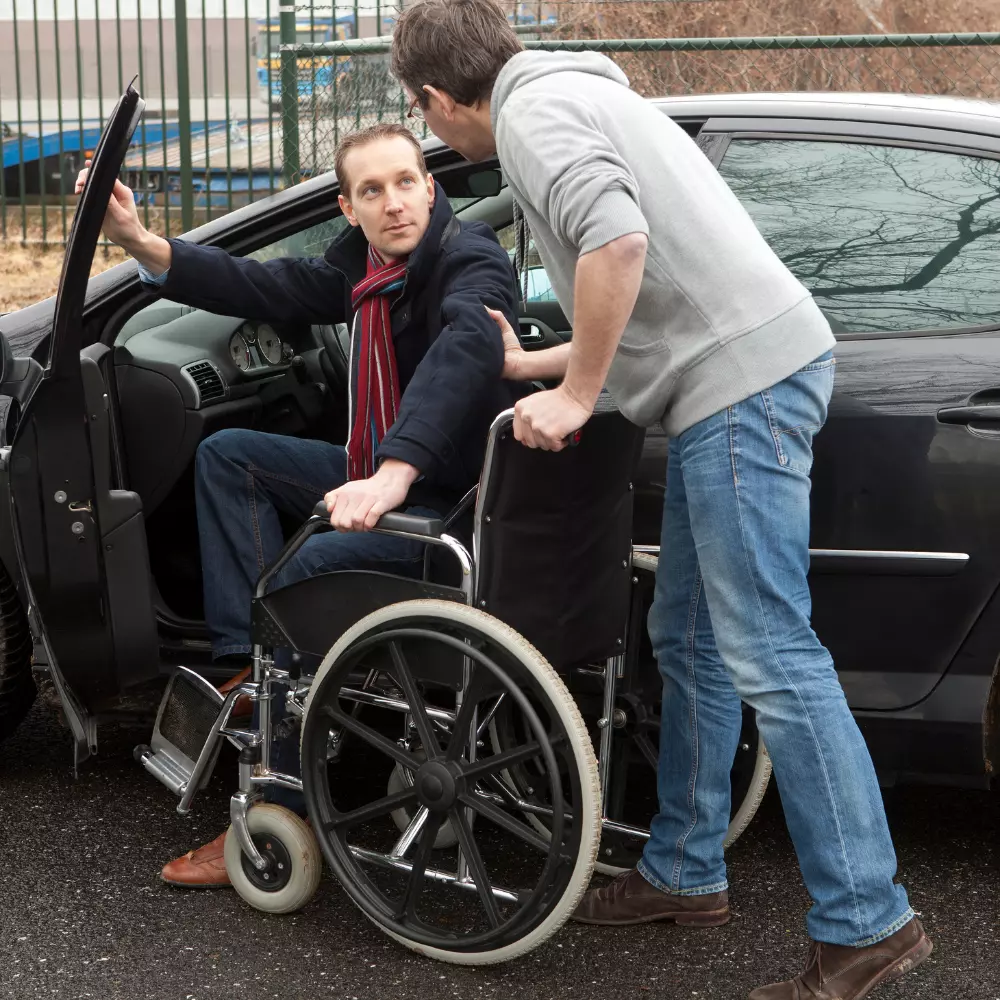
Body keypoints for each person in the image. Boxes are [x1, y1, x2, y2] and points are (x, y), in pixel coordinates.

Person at [389, 3, 931, 998]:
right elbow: (649, 280)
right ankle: (685, 868)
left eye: (424, 121)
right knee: (687, 634)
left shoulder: (532, 120)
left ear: (433, 98)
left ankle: (866, 919)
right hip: (735, 375)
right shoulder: (576, 90)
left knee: (769, 647)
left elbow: (619, 244)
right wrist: (542, 358)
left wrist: (578, 393)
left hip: (740, 386)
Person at [77, 122, 523, 888]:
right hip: (381, 476)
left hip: (445, 506)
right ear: (349, 209)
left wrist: (394, 472)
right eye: (372, 191)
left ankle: (274, 799)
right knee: (229, 456)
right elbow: (266, 285)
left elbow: (466, 350)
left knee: (303, 574)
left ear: (432, 187)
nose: (394, 204)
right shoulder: (363, 269)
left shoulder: (467, 263)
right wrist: (143, 243)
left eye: (406, 182)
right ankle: (245, 668)